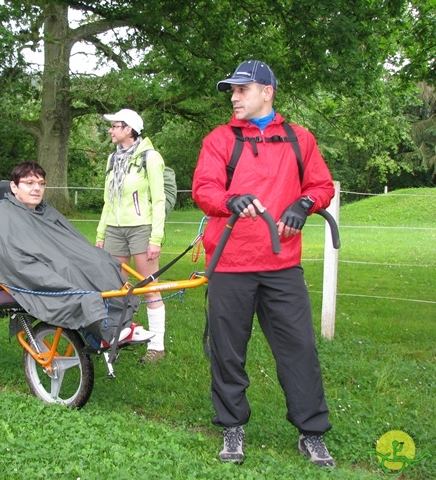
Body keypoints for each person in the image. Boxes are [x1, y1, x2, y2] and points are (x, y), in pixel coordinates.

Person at [192, 60, 336, 467]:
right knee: (227, 352)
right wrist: (229, 200)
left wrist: (303, 204)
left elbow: (321, 185)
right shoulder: (220, 139)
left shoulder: (299, 139)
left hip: (281, 265)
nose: (234, 97)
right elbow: (204, 189)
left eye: (242, 89)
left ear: (267, 92)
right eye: (232, 90)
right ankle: (232, 427)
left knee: (299, 350)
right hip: (230, 263)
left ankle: (312, 433)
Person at [0, 161, 154, 348]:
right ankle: (108, 328)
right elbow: (10, 257)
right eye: (29, 183)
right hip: (28, 267)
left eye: (41, 184)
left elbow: (71, 241)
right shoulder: (0, 215)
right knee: (68, 270)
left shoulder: (44, 211)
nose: (37, 189)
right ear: (14, 187)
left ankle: (119, 325)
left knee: (101, 262)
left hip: (54, 258)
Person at [96, 109, 167, 364]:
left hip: (141, 228)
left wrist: (155, 238)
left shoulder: (150, 157)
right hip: (115, 229)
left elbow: (159, 200)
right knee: (117, 287)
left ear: (128, 129)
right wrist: (101, 233)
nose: (110, 130)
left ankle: (157, 347)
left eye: (115, 126)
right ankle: (121, 336)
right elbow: (108, 199)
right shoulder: (112, 159)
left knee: (149, 287)